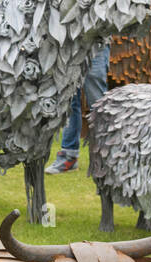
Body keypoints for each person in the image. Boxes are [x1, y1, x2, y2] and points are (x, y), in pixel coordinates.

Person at [45, 45, 111, 173]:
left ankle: (106, 157)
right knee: (68, 100)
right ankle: (69, 157)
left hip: (96, 43)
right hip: (69, 43)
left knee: (97, 102)